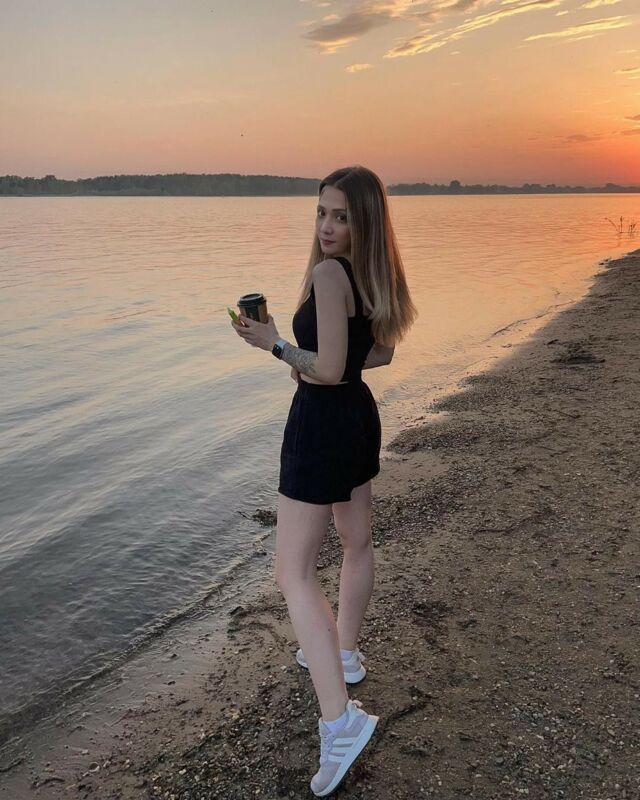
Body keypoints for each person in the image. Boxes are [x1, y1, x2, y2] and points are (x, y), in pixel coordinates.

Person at [231, 165, 417, 796]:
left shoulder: (331, 274)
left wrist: (274, 345)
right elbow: (378, 353)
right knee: (355, 540)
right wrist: (309, 359)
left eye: (341, 215)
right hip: (356, 419)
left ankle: (340, 722)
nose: (328, 226)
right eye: (322, 213)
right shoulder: (370, 273)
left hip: (323, 423)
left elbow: (331, 369)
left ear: (363, 221)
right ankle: (343, 653)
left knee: (292, 573)